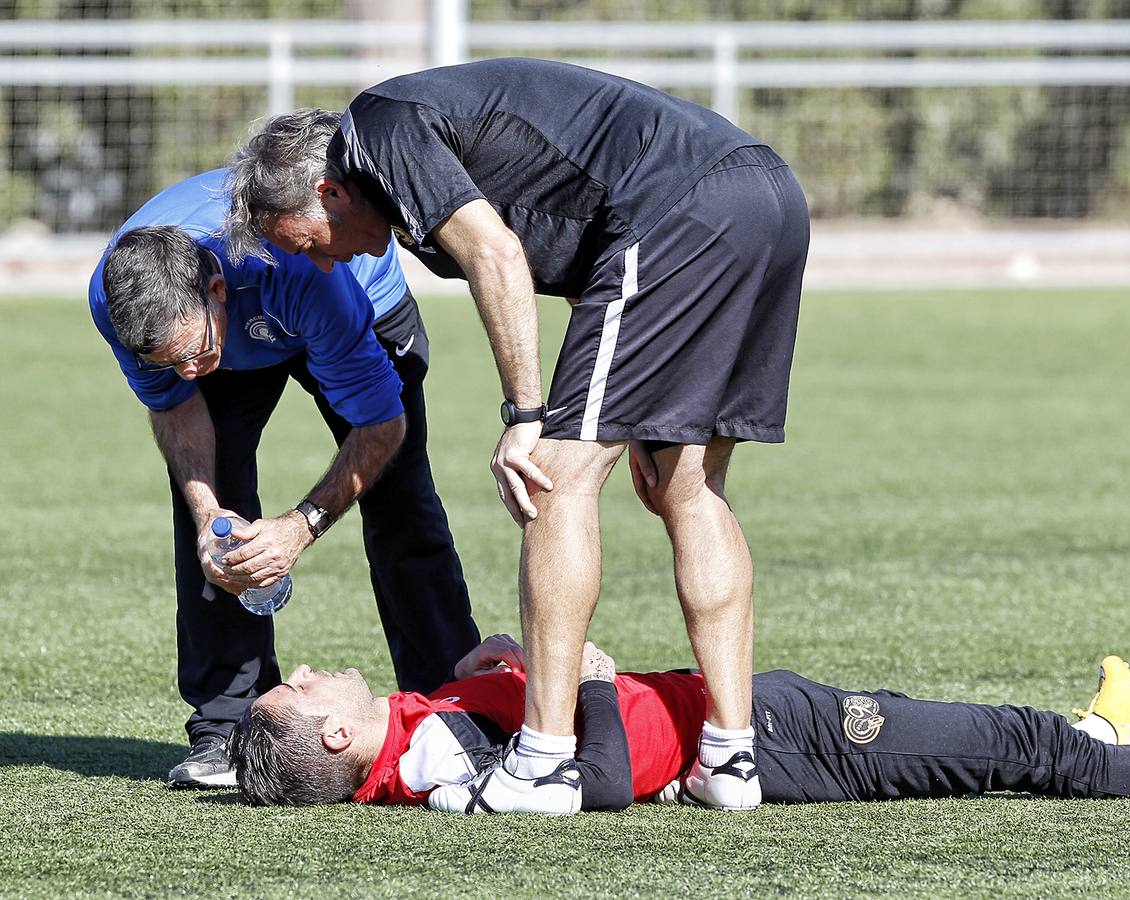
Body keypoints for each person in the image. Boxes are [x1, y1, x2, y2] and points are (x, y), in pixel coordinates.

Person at [223, 60, 810, 812]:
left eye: (301, 241)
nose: (316, 259)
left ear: (326, 191)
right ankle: (729, 761)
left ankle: (542, 759)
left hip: (682, 209)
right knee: (686, 487)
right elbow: (584, 258)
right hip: (765, 196)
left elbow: (499, 255)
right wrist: (633, 395)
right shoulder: (409, 193)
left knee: (552, 481)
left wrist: (526, 418)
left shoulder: (378, 126)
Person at [88, 167, 481, 788]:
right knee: (218, 525)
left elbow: (381, 427)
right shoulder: (119, 301)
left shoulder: (301, 272)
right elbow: (174, 404)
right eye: (171, 361)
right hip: (240, 319)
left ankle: (453, 708)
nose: (190, 372)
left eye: (195, 352)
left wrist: (301, 527)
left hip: (351, 306)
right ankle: (227, 727)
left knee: (398, 497)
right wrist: (208, 520)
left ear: (217, 288)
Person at [227, 636, 1130, 812]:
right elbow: (595, 784)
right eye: (309, 691)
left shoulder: (418, 731)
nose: (323, 670)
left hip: (737, 712)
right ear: (337, 740)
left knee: (1000, 734)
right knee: (1015, 757)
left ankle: (1099, 737)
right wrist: (583, 680)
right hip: (758, 742)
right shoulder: (433, 762)